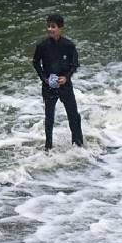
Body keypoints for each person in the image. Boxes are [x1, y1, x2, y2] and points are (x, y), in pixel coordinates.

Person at [32, 13, 84, 150]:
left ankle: (78, 143)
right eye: (48, 26)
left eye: (53, 27)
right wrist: (44, 78)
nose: (50, 29)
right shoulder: (42, 45)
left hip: (65, 85)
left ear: (61, 28)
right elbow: (35, 63)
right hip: (49, 85)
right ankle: (48, 146)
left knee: (73, 114)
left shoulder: (69, 45)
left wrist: (66, 77)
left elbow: (75, 64)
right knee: (49, 118)